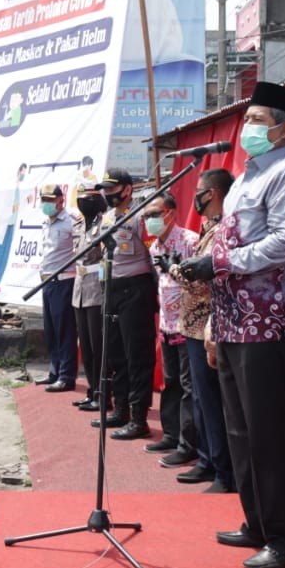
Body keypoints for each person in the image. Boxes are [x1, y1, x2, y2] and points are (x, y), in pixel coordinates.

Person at [180, 81, 285, 568]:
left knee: (270, 432)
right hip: (235, 318)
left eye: (258, 120)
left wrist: (218, 263)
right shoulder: (244, 178)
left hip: (272, 318)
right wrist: (215, 313)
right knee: (240, 429)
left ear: (284, 128)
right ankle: (258, 522)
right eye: (247, 119)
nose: (248, 128)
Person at [170, 168, 236, 492]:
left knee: (212, 401)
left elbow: (205, 282)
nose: (195, 197)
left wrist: (174, 271)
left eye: (199, 190)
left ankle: (223, 471)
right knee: (200, 399)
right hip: (193, 326)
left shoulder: (224, 229)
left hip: (208, 326)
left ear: (212, 193)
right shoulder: (209, 227)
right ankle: (207, 460)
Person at [90, 168, 158, 440]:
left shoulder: (140, 216)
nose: (108, 194)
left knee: (137, 354)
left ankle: (139, 418)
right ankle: (121, 410)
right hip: (111, 289)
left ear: (128, 189)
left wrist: (157, 295)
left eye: (112, 189)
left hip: (136, 289)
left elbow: (154, 254)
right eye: (105, 190)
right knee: (115, 353)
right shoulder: (107, 218)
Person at [144, 191, 201, 467]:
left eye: (155, 214)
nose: (150, 220)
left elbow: (200, 283)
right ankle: (171, 434)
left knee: (189, 386)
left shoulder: (190, 241)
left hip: (189, 324)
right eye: (146, 216)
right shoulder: (154, 247)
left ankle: (188, 445)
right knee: (171, 382)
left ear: (170, 213)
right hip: (167, 325)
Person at [34, 184, 78, 392]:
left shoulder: (71, 221)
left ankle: (66, 376)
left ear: (61, 200)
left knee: (65, 331)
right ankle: (55, 371)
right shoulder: (46, 222)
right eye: (44, 200)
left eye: (51, 200)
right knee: (51, 330)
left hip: (64, 281)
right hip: (47, 282)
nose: (47, 204)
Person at [69, 184, 105, 412]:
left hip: (97, 288)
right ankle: (92, 390)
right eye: (80, 199)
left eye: (88, 199)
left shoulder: (104, 225)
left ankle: (102, 394)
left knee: (97, 345)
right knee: (85, 346)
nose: (83, 203)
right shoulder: (78, 226)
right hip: (79, 289)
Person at [0, 164, 27, 294]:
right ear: (17, 172)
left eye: (25, 173)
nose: (23, 175)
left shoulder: (19, 189)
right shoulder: (10, 188)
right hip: (4, 224)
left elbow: (18, 208)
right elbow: (9, 207)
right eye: (22, 173)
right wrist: (25, 202)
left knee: (5, 255)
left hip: (11, 225)